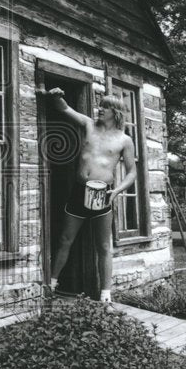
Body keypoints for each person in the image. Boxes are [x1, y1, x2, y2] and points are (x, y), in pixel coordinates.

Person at [37, 86, 137, 305]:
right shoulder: (88, 125)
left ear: (116, 112)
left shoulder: (124, 140)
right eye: (100, 105)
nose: (99, 109)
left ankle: (105, 296)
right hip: (79, 191)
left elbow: (132, 172)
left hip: (104, 194)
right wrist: (57, 95)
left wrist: (117, 191)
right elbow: (64, 109)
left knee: (103, 246)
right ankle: (51, 285)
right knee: (65, 239)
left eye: (105, 107)